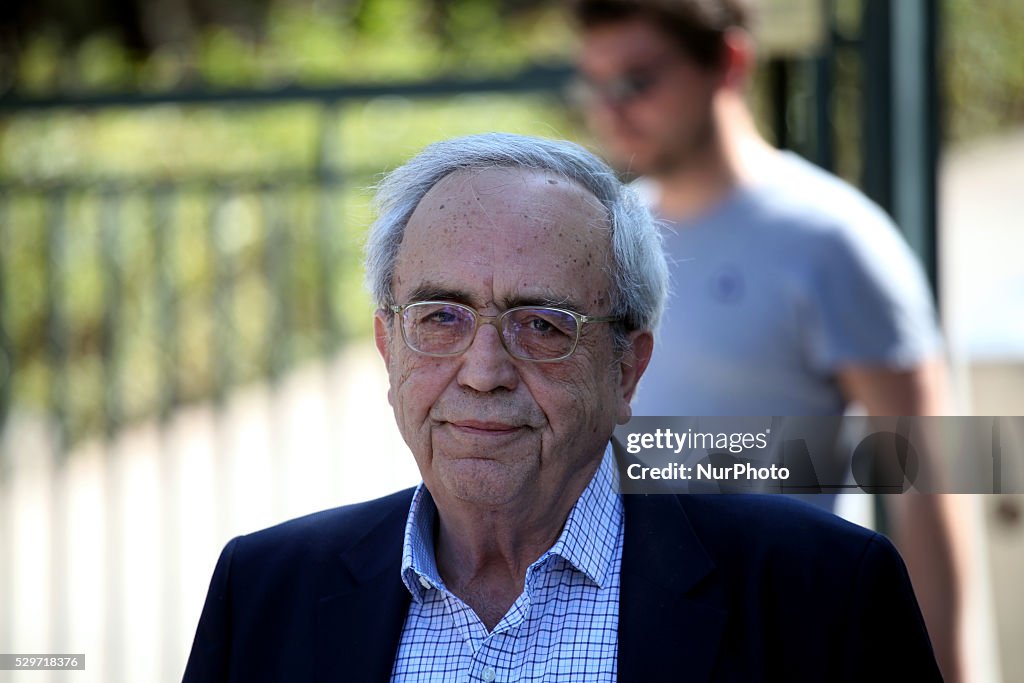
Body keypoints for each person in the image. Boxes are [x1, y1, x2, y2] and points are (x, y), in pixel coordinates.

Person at [182, 133, 942, 681]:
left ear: (628, 368)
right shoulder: (264, 593)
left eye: (541, 325)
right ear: (388, 345)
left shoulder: (820, 595)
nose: (482, 371)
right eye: (441, 317)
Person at [569, 0, 961, 679]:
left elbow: (930, 476)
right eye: (595, 85)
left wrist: (947, 668)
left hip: (778, 636)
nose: (611, 109)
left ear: (730, 62)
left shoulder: (831, 238)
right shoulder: (610, 233)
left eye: (636, 81)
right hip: (622, 637)